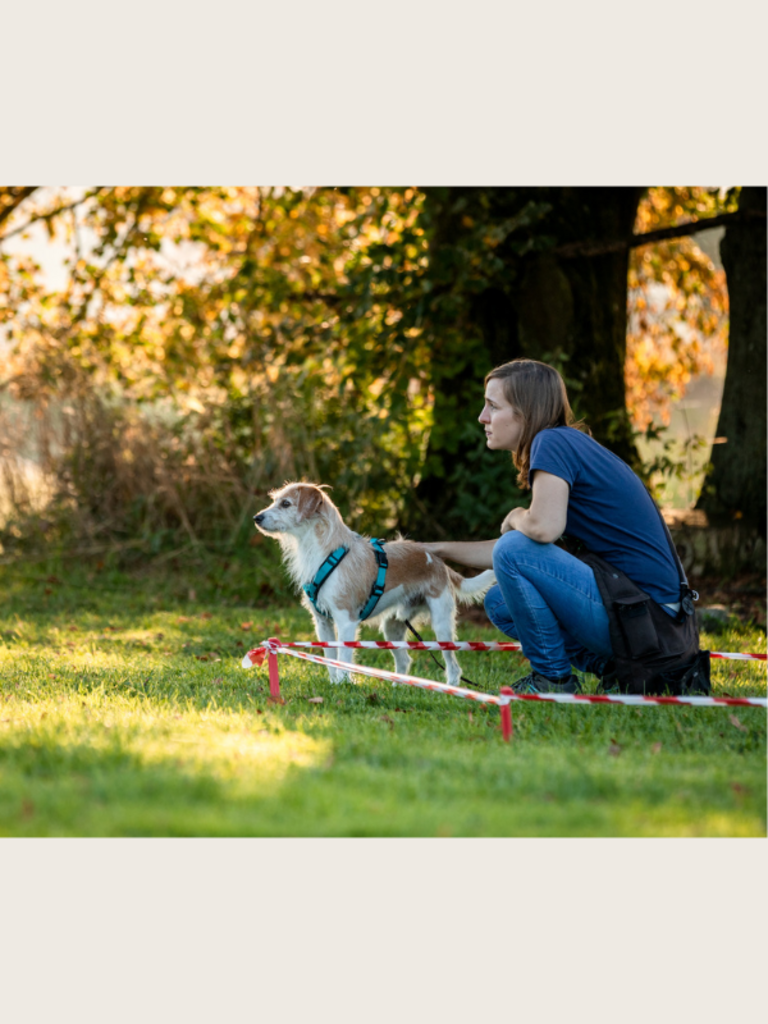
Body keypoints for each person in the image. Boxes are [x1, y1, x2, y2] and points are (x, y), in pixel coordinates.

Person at [422, 358, 689, 695]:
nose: (482, 417)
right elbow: (514, 554)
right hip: (649, 622)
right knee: (500, 601)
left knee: (513, 548)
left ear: (525, 412)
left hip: (650, 623)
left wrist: (517, 515)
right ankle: (614, 670)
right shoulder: (564, 443)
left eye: (492, 406)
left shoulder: (551, 442)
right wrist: (431, 551)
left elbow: (541, 530)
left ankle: (553, 679)